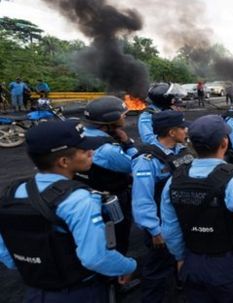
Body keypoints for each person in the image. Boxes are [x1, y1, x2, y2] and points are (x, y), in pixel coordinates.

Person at [0, 120, 136, 302]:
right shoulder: (79, 199)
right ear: (64, 161)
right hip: (80, 290)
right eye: (83, 150)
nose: (91, 152)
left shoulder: (14, 191)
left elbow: (6, 252)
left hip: (36, 289)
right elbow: (95, 258)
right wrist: (128, 266)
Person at [160, 115, 233, 302]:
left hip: (193, 262)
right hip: (230, 266)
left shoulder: (174, 180)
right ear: (224, 142)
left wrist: (181, 258)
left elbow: (170, 229)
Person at [132, 111, 194, 302]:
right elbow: (142, 199)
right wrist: (154, 230)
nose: (186, 130)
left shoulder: (182, 150)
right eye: (183, 127)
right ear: (172, 132)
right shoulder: (146, 161)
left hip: (181, 217)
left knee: (181, 259)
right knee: (157, 268)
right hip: (161, 223)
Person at [79, 96, 137, 257]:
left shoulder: (80, 135)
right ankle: (118, 275)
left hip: (86, 193)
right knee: (117, 236)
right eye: (122, 114)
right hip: (112, 198)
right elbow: (135, 164)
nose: (124, 116)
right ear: (110, 119)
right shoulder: (107, 150)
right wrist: (128, 143)